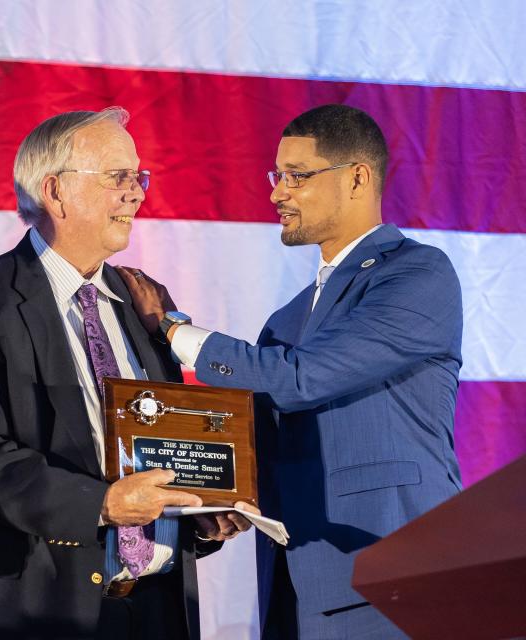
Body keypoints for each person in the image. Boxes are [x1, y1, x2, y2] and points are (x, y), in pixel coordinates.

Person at [122, 104, 464, 639]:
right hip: (294, 582)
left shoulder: (418, 274)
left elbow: (304, 378)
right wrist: (216, 502)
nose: (278, 192)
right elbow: (260, 436)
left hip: (391, 571)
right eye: (276, 176)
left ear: (357, 178)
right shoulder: (286, 320)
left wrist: (172, 330)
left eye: (297, 176)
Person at [0, 107, 256, 640]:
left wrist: (203, 512)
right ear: (55, 191)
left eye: (138, 177)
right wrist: (101, 505)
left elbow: (162, 445)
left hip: (158, 611)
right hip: (45, 616)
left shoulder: (142, 301)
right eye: (118, 177)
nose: (137, 193)